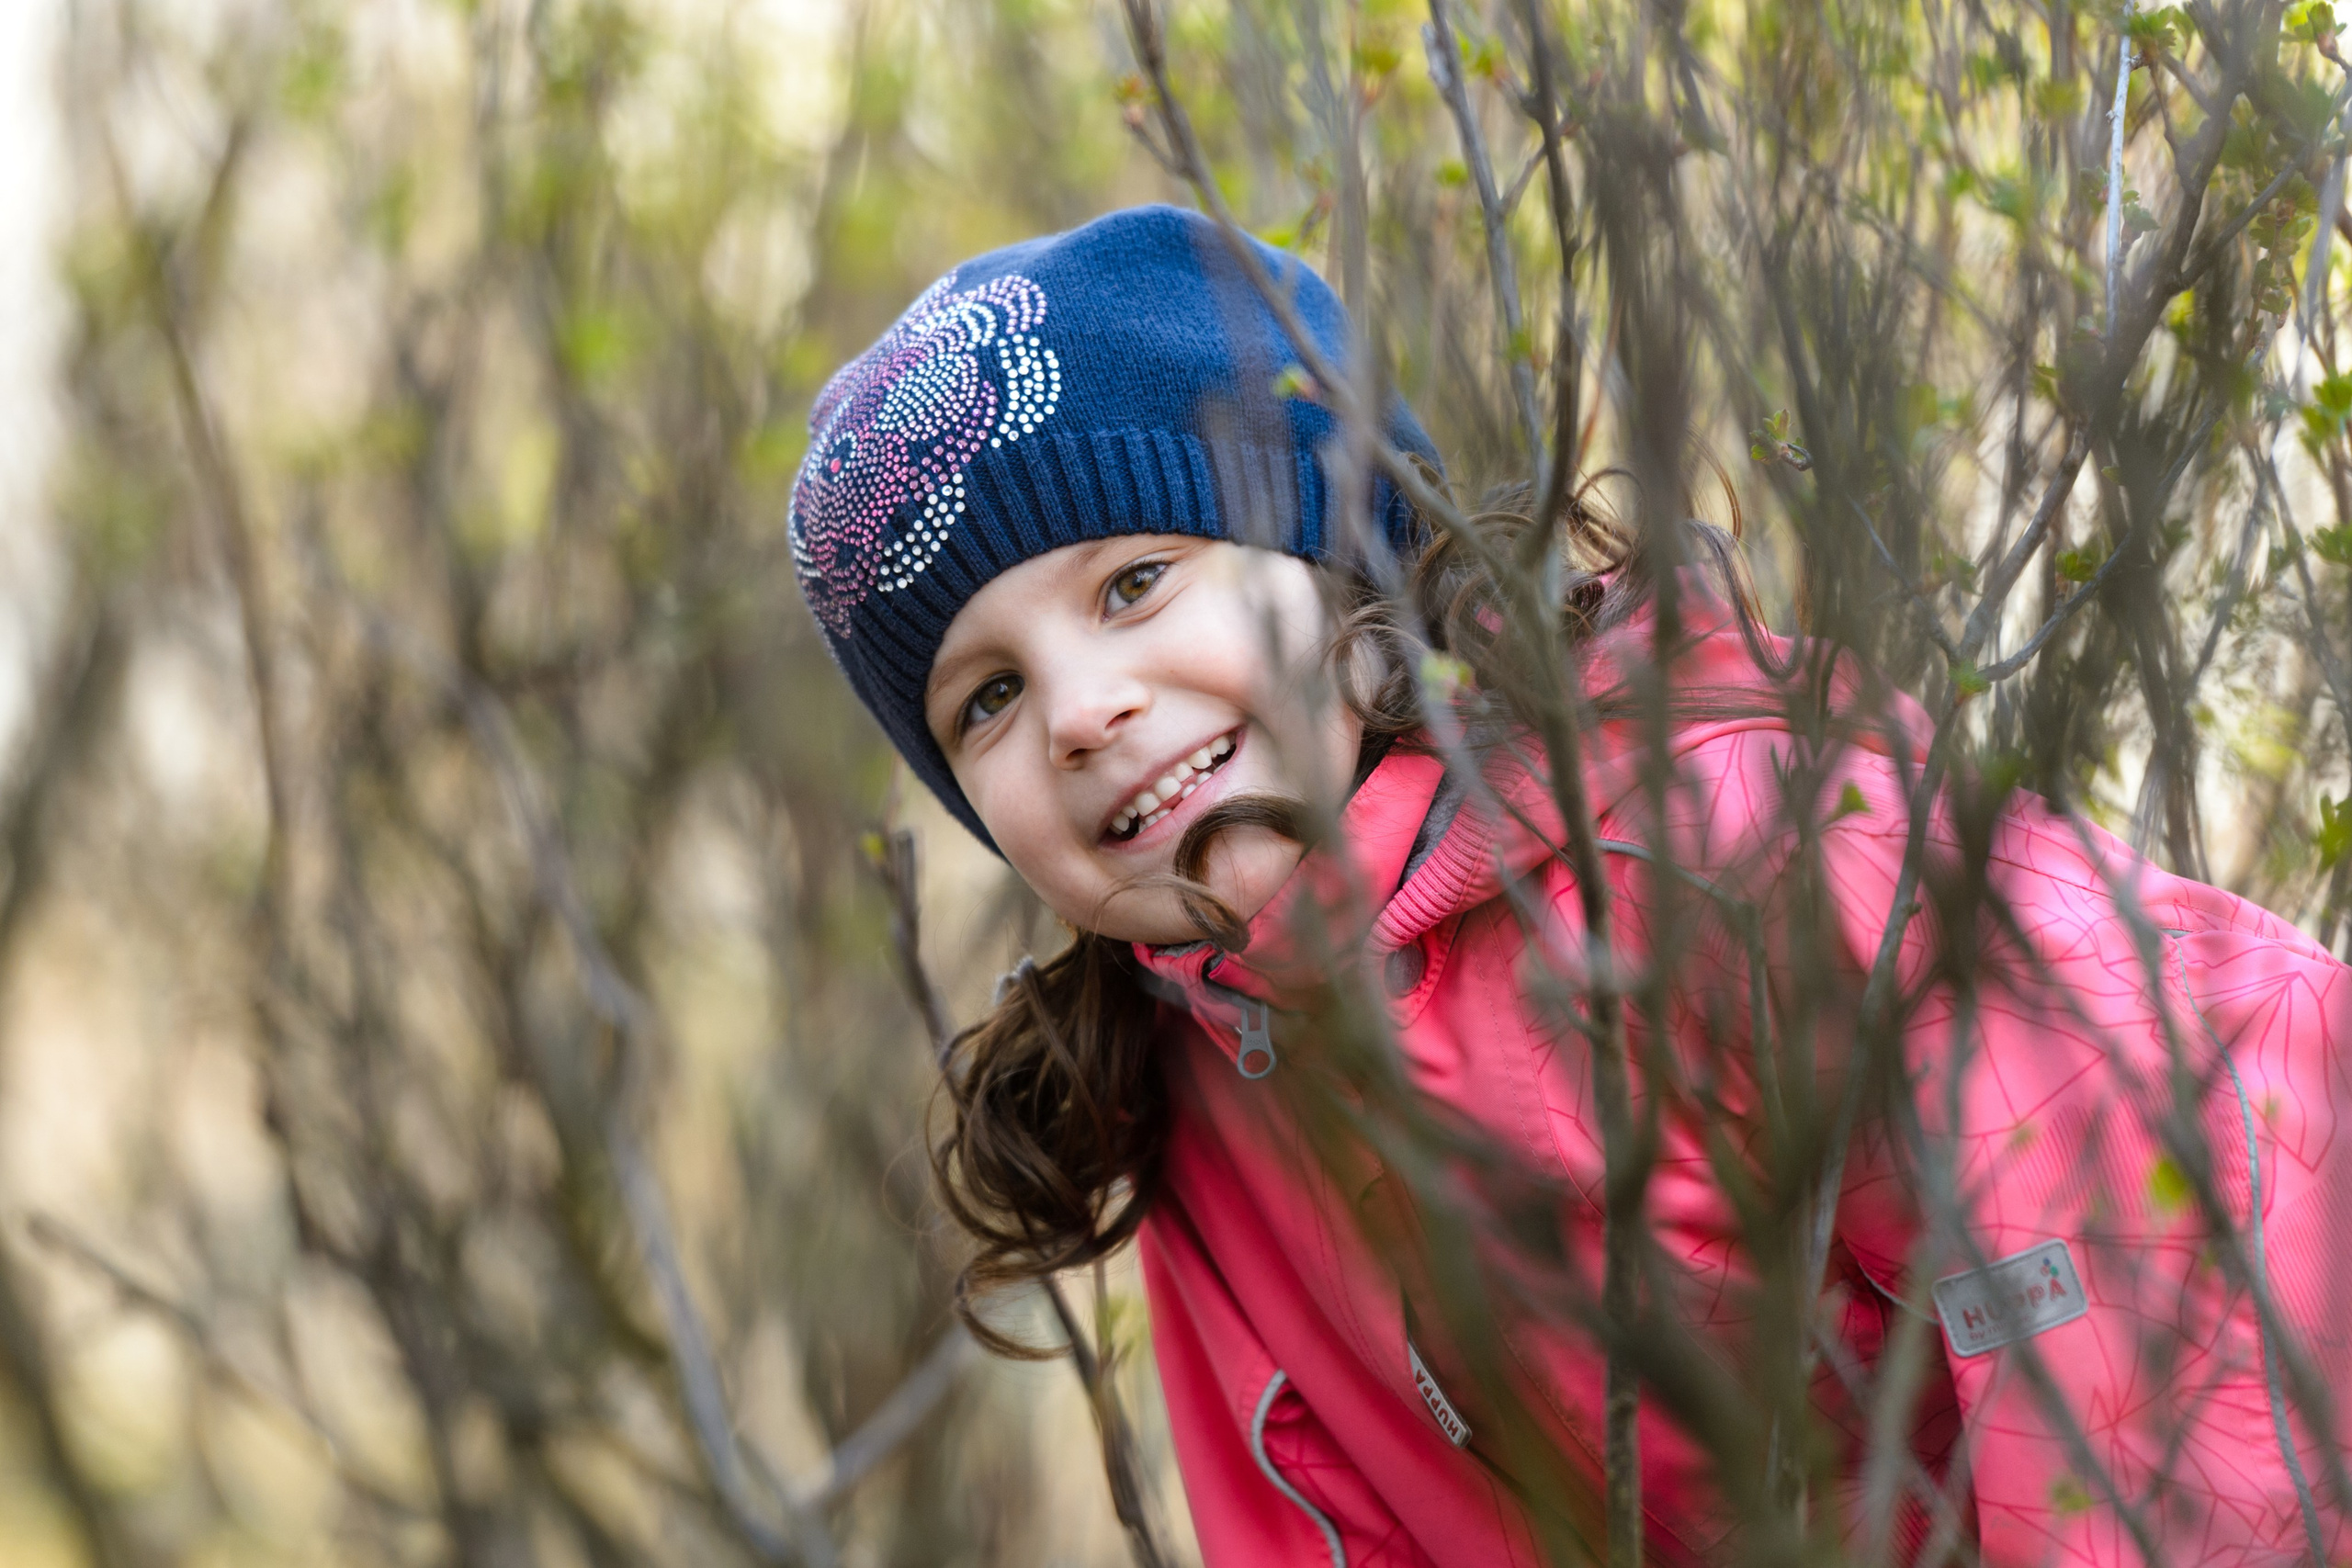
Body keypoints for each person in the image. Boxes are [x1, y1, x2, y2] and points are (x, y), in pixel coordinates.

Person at [787, 203, 2352, 1566]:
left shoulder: (1722, 833)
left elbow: (2171, 1289)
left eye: (1134, 584)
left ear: (1349, 562)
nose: (1077, 713)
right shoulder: (1197, 1098)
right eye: (983, 700)